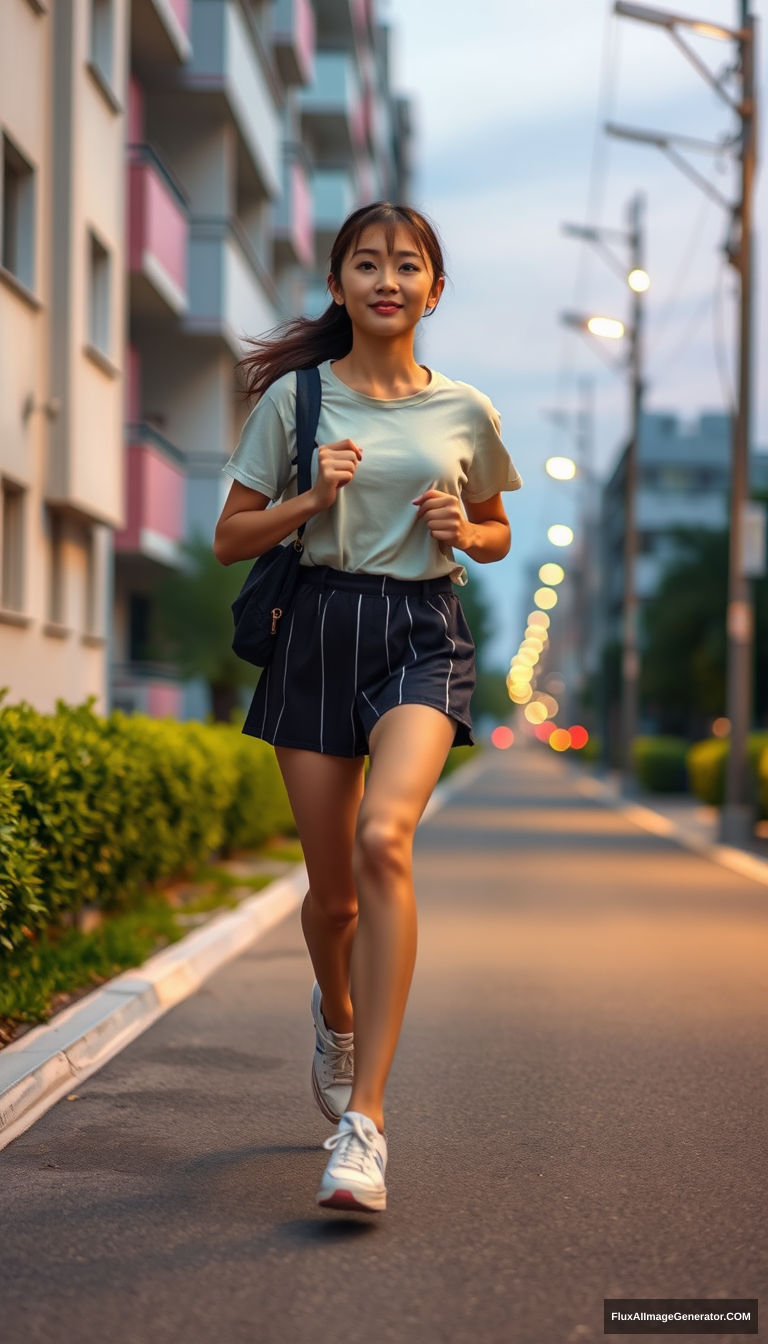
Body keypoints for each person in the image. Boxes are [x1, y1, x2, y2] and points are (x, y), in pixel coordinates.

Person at [213, 202, 522, 1212]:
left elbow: (496, 533)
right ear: (340, 284)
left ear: (435, 289)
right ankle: (335, 1012)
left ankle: (366, 1124)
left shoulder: (465, 411)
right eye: (366, 262)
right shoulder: (297, 404)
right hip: (316, 633)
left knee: (388, 839)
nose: (388, 278)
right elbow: (231, 539)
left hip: (421, 636)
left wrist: (462, 531)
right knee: (334, 895)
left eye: (408, 264)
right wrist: (307, 502)